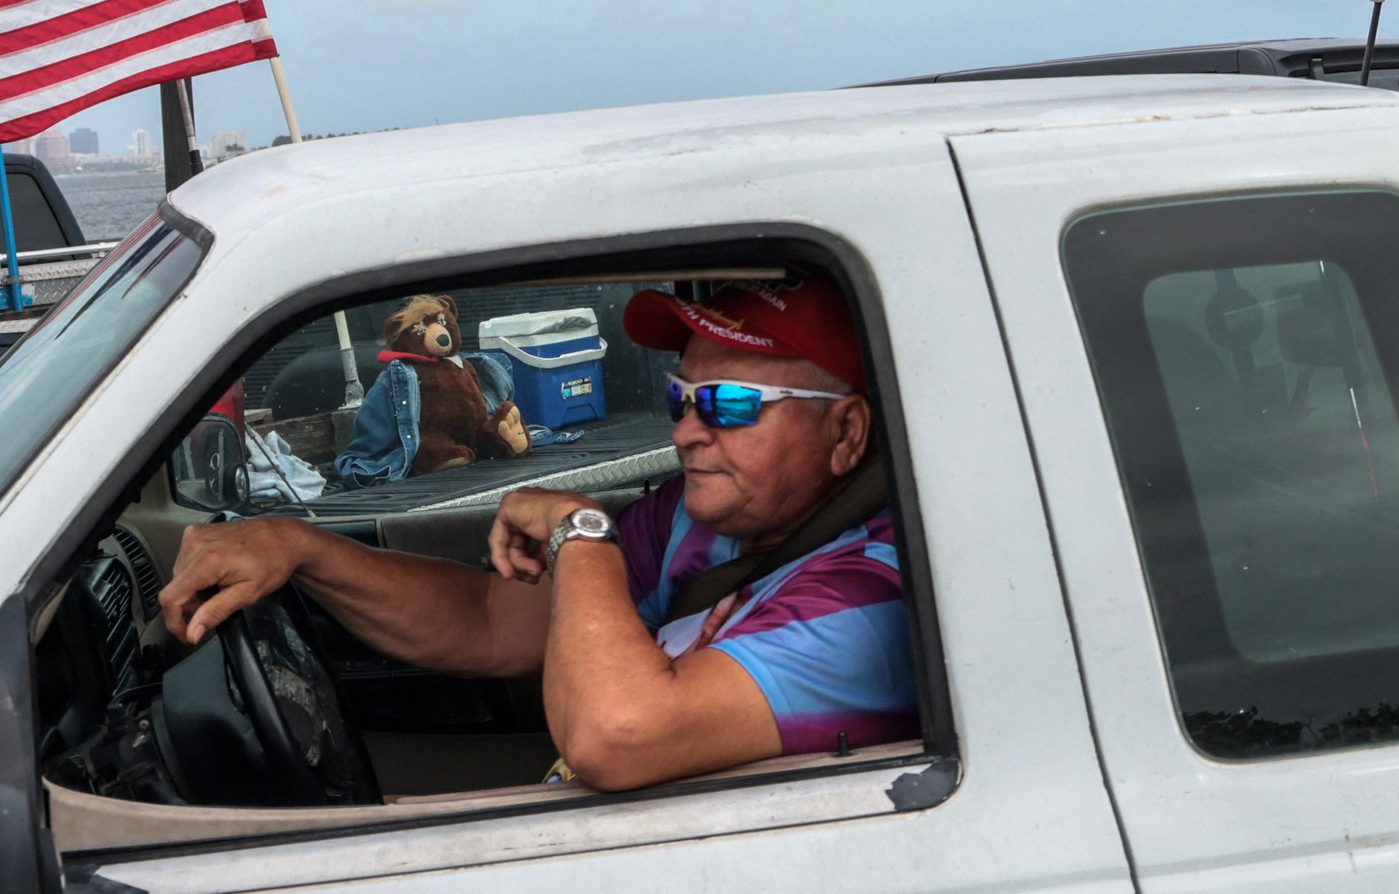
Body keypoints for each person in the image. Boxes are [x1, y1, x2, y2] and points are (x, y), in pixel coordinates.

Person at [160, 275, 915, 793]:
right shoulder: (702, 520)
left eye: (727, 404)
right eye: (679, 397)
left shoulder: (872, 598)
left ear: (846, 433)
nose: (686, 430)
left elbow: (614, 736)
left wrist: (579, 530)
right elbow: (493, 624)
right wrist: (302, 545)